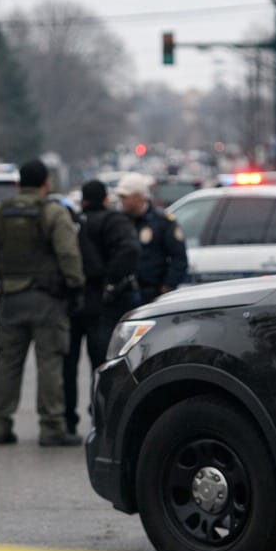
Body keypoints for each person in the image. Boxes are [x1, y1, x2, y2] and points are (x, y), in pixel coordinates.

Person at [0, 159, 85, 447]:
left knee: (7, 363)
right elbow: (69, 254)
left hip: (11, 298)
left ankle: (1, 424)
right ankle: (51, 427)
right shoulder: (53, 212)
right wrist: (75, 286)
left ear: (18, 183)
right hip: (47, 300)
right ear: (45, 184)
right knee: (49, 363)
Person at [62, 179, 141, 434]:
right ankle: (103, 419)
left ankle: (67, 420)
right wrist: (111, 283)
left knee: (67, 364)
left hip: (72, 299)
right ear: (106, 199)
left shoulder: (71, 223)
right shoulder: (114, 221)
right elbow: (129, 250)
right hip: (102, 302)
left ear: (83, 201)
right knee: (103, 365)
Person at [116, 172, 188, 305]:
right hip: (123, 295)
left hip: (153, 294)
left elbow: (179, 257)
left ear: (138, 196)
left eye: (124, 196)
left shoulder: (162, 221)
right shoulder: (119, 221)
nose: (121, 200)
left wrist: (167, 287)